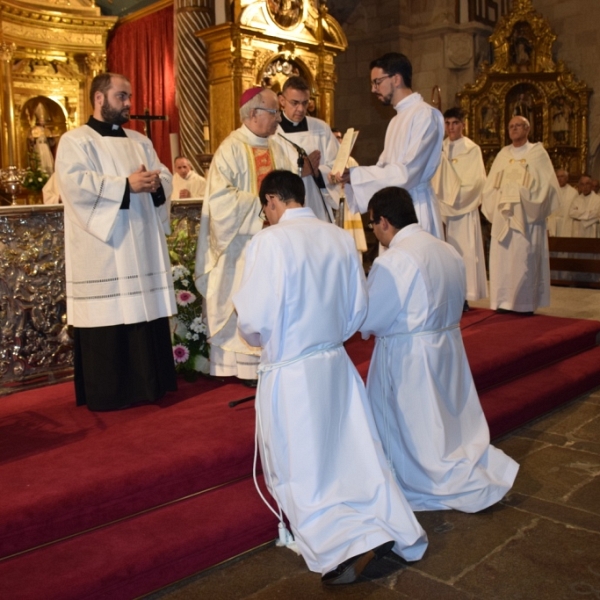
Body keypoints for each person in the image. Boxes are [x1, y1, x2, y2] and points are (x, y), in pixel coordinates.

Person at [232, 170, 428, 585]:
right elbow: (358, 310)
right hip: (335, 365)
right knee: (351, 452)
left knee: (305, 465)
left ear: (271, 201)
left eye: (264, 208)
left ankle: (342, 543)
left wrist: (257, 336)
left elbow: (252, 319)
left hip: (292, 372)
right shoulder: (340, 237)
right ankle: (385, 525)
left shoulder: (268, 242)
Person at [360, 186, 519, 512]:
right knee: (446, 420)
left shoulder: (395, 261)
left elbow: (371, 317)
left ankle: (427, 478)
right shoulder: (448, 250)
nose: (374, 231)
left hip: (410, 358)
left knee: (418, 428)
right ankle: (459, 464)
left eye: (372, 224)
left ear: (385, 222)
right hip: (447, 347)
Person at [55, 72, 177, 411]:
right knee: (110, 316)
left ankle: (151, 384)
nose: (128, 103)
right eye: (121, 96)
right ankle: (111, 392)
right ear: (99, 98)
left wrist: (155, 183)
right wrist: (125, 185)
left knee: (144, 314)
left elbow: (163, 174)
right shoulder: (75, 141)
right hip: (105, 247)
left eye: (128, 96)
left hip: (140, 241)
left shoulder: (140, 141)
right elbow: (75, 185)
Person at [194, 87, 293, 384]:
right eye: (274, 112)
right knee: (240, 294)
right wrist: (263, 208)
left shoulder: (280, 147)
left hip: (274, 242)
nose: (279, 118)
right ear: (253, 114)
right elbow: (220, 200)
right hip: (240, 245)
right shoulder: (231, 148)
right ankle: (239, 367)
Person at [337, 52, 444, 239]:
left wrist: (358, 175)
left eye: (377, 82)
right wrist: (351, 176)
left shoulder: (425, 115)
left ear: (396, 79)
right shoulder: (396, 120)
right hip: (393, 211)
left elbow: (408, 173)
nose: (373, 89)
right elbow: (383, 167)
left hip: (415, 209)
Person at [482, 116, 559, 314]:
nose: (514, 129)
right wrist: (502, 194)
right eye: (511, 127)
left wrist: (524, 194)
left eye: (518, 126)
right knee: (504, 261)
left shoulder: (537, 153)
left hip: (527, 219)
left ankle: (524, 303)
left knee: (524, 259)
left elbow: (547, 185)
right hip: (504, 217)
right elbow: (490, 185)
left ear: (527, 129)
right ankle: (503, 301)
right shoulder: (502, 155)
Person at [432, 107, 487, 307]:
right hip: (442, 209)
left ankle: (463, 296)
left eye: (455, 123)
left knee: (463, 252)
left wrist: (454, 197)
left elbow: (477, 181)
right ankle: (447, 294)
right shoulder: (440, 148)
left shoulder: (472, 149)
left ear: (463, 124)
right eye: (447, 123)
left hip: (462, 210)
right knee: (443, 254)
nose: (451, 127)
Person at [275, 76, 340, 222]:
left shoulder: (320, 128)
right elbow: (270, 171)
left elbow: (337, 165)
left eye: (305, 103)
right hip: (286, 209)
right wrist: (299, 171)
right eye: (295, 103)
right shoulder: (273, 131)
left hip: (316, 205)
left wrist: (318, 172)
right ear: (282, 100)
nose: (301, 109)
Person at [332, 127, 367, 258]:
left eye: (340, 138)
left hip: (347, 205)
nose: (338, 141)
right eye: (335, 138)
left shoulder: (351, 161)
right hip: (333, 205)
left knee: (352, 248)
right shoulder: (326, 161)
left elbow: (361, 185)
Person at [547, 168, 577, 237]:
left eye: (562, 176)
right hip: (553, 222)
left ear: (566, 178)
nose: (559, 179)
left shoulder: (573, 192)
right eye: (557, 177)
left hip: (565, 222)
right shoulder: (551, 190)